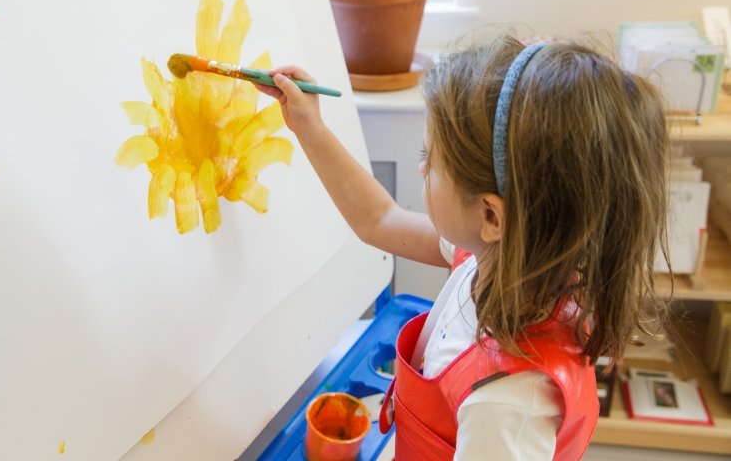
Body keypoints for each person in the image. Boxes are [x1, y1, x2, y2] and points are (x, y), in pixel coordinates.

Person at [255, 34, 669, 460]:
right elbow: (379, 221)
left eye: (430, 159)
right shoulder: (505, 258)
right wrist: (310, 127)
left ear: (492, 216)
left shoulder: (507, 402)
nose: (420, 167)